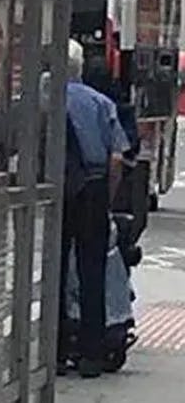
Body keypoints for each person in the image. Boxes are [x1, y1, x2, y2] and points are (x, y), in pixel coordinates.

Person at [58, 39, 130, 378]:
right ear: (80, 68)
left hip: (57, 190)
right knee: (92, 271)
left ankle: (55, 348)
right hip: (94, 188)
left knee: (55, 269)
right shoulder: (101, 103)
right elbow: (117, 157)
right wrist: (108, 197)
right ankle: (91, 353)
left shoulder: (46, 98)